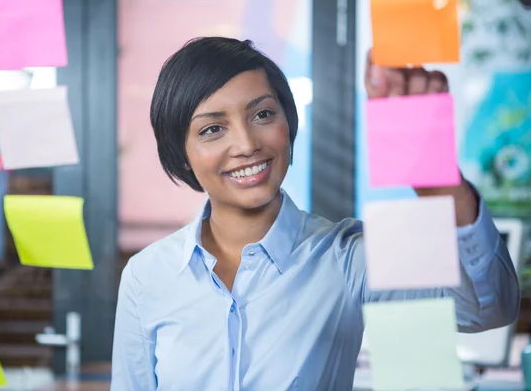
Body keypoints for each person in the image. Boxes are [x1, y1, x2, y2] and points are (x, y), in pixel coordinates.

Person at [111, 37, 520, 391]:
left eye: (262, 114)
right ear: (182, 156)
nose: (247, 143)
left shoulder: (349, 258)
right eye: (212, 129)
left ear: (289, 124)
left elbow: (488, 307)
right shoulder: (147, 276)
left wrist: (435, 178)